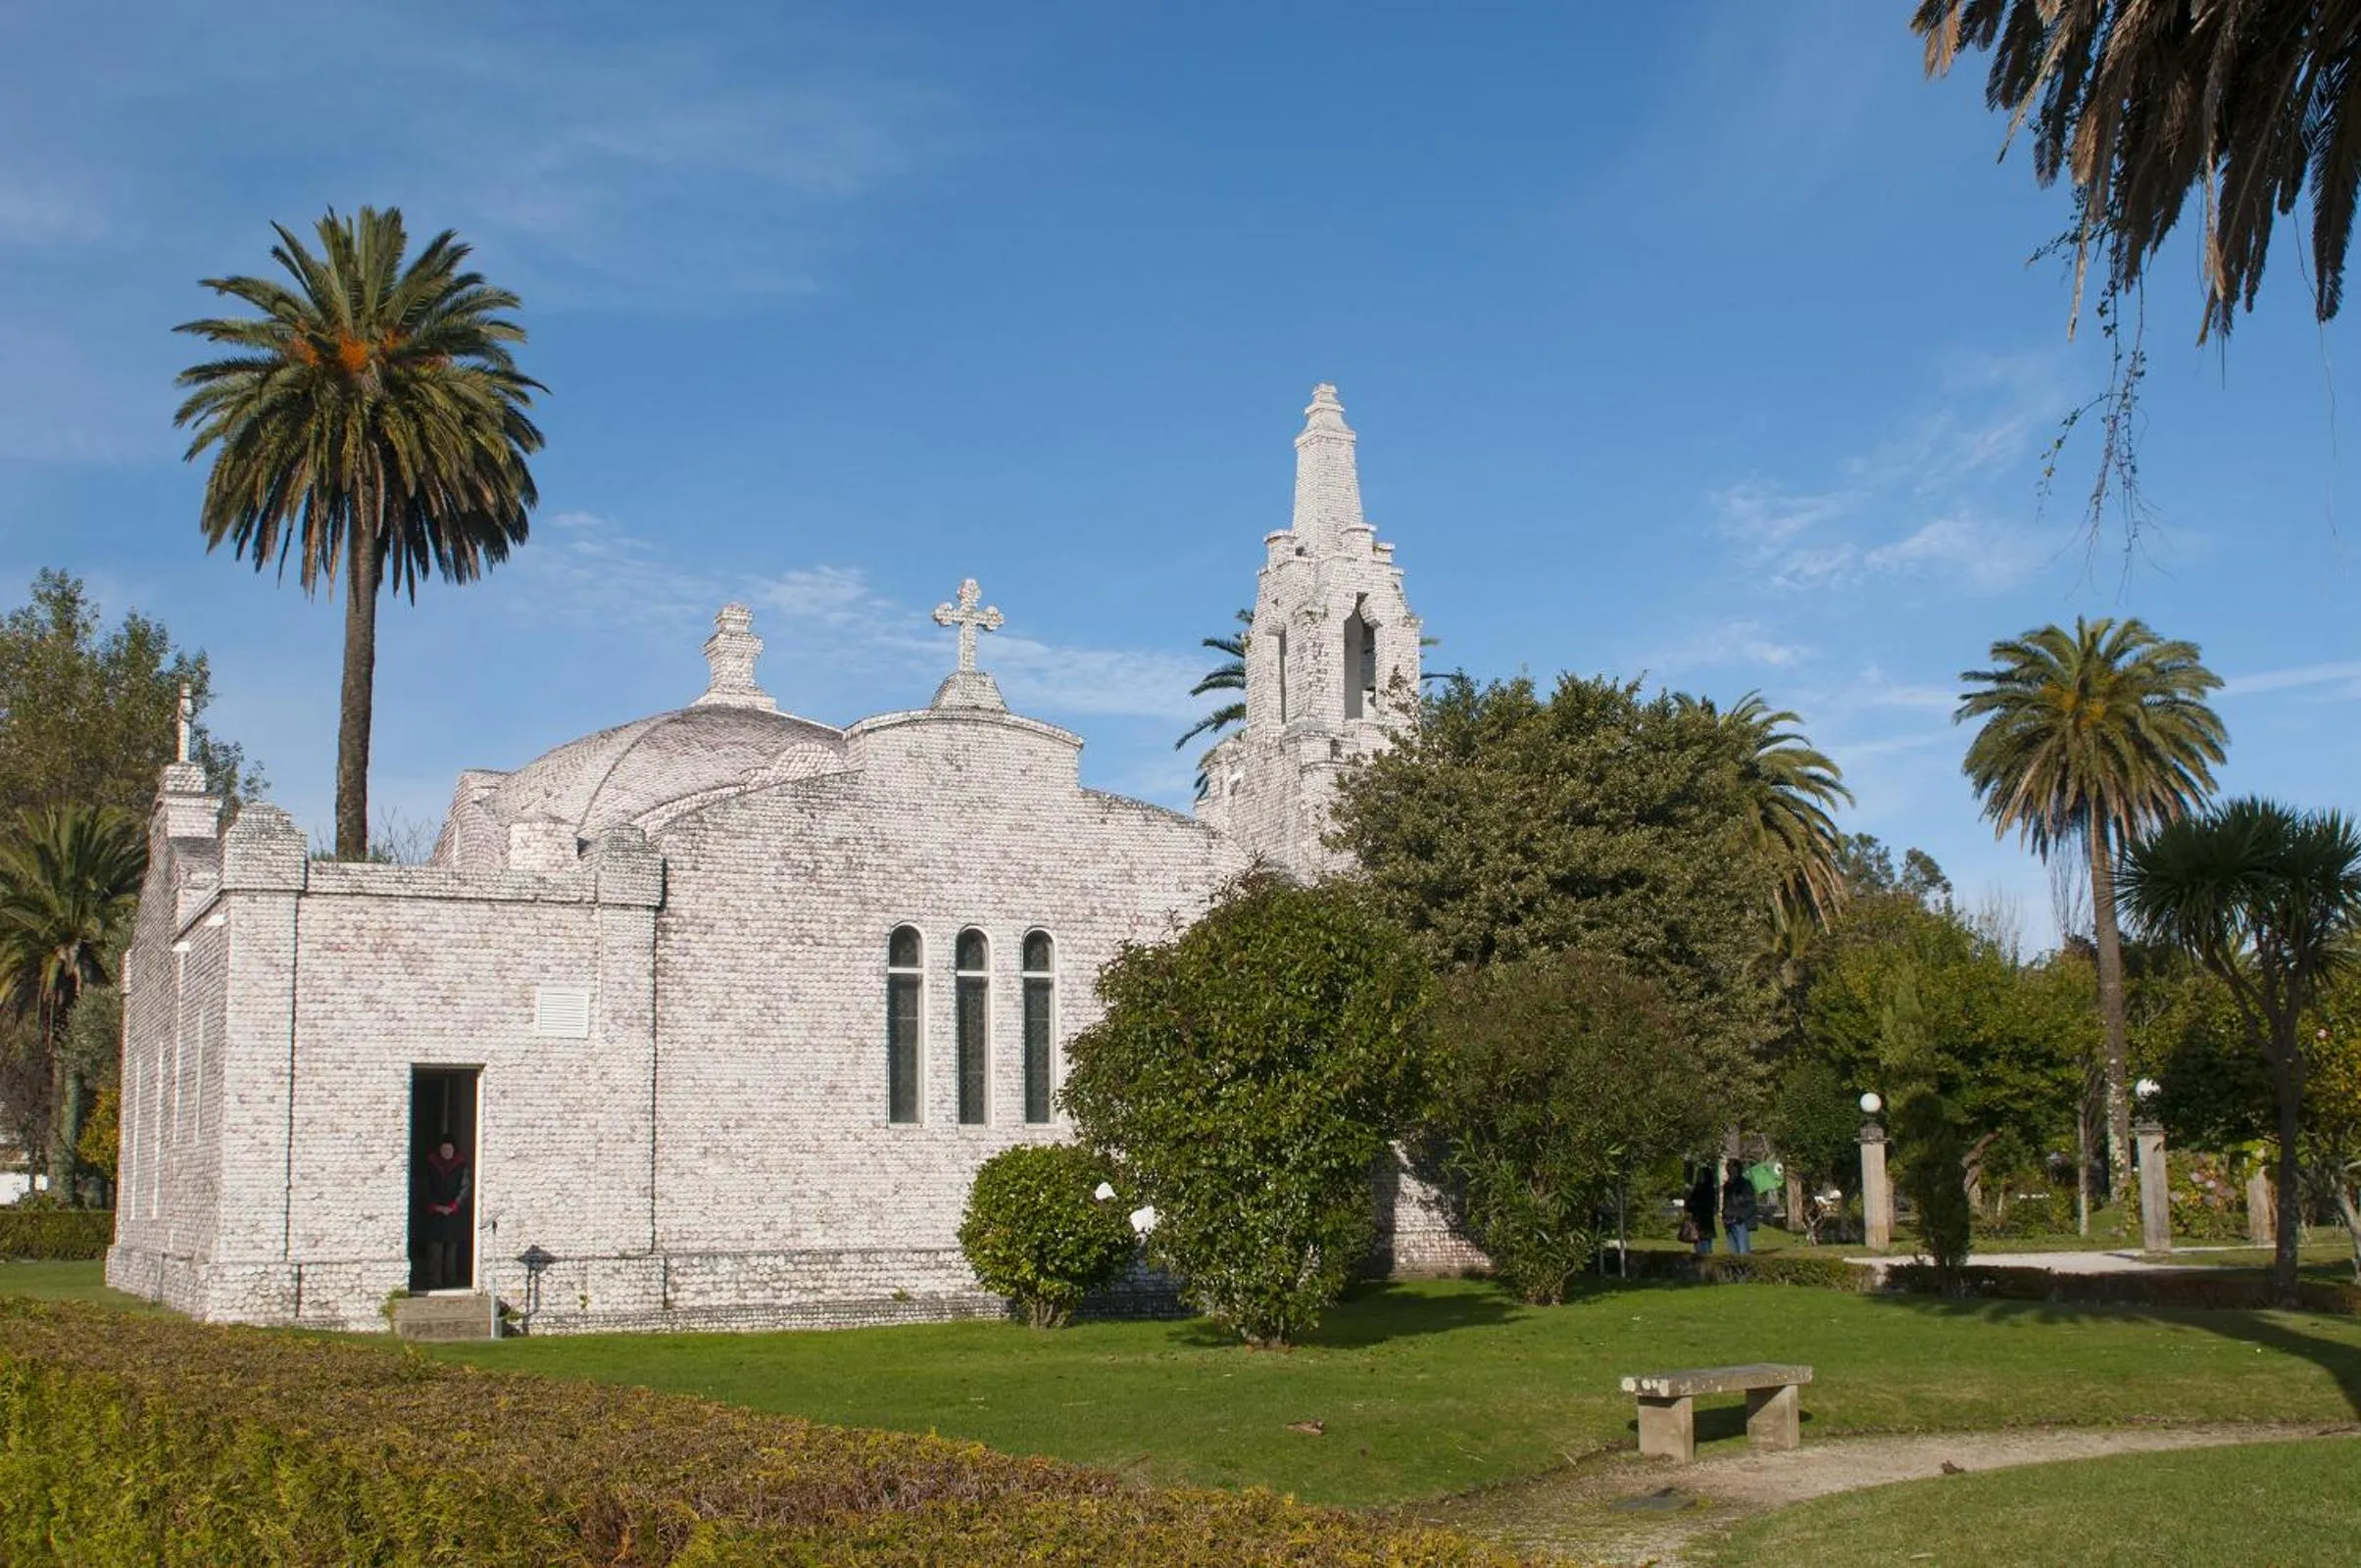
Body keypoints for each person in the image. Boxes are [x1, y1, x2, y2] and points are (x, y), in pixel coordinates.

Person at [418, 1136, 471, 1290]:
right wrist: (434, 1206)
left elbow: (466, 1187)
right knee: (435, 1247)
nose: (446, 1152)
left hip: (453, 1213)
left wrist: (455, 1206)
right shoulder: (430, 1164)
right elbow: (424, 1186)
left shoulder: (461, 1165)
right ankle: (434, 1280)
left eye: (449, 1149)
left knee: (451, 1247)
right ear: (439, 1150)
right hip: (434, 1213)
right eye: (444, 1149)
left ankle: (450, 1279)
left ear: (454, 1151)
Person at [1721, 1158, 1758, 1255]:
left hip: (1740, 1221)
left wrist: (1741, 1216)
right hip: (1729, 1220)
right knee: (1733, 1251)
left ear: (1738, 1169)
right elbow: (1726, 1203)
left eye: (1732, 1168)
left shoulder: (1744, 1184)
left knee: (1743, 1251)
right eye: (1728, 1168)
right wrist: (1724, 1216)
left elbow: (1751, 1204)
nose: (1730, 1170)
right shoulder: (1727, 1185)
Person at [1683, 1167, 1718, 1255]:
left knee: (1705, 1242)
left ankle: (1706, 1256)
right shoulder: (1697, 1188)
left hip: (1705, 1219)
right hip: (1697, 1219)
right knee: (1698, 1242)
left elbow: (1706, 1205)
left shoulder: (1708, 1189)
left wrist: (1693, 1205)